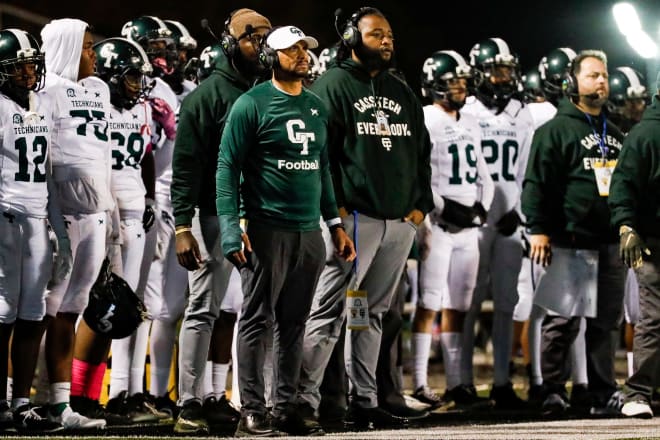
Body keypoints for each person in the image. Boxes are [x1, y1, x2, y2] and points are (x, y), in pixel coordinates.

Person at [298, 6, 434, 429]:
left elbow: (422, 152)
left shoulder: (400, 89)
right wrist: (335, 211)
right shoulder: (332, 85)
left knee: (370, 313)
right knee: (331, 310)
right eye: (377, 34)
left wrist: (419, 208)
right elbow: (321, 155)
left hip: (396, 223)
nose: (387, 40)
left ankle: (366, 400)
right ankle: (304, 400)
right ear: (353, 38)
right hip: (355, 219)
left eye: (390, 34)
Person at [216, 25, 355, 436]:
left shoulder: (315, 105)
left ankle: (286, 406)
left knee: (294, 323)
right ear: (269, 58)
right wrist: (229, 227)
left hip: (308, 230)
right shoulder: (251, 104)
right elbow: (227, 168)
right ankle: (252, 409)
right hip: (266, 227)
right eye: (290, 49)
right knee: (257, 320)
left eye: (304, 48)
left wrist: (334, 223)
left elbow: (322, 167)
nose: (301, 54)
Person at [171, 8, 272, 434]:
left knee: (248, 312)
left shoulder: (270, 90)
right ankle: (189, 402)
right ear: (230, 43)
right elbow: (187, 165)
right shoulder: (205, 96)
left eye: (268, 40)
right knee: (202, 309)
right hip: (215, 215)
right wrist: (181, 224)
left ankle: (221, 396)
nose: (263, 49)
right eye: (255, 39)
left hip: (264, 215)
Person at [522, 49, 626, 416]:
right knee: (561, 320)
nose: (601, 81)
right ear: (572, 82)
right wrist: (538, 229)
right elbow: (537, 183)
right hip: (569, 239)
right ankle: (552, 389)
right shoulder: (554, 130)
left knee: (605, 324)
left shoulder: (613, 133)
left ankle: (602, 392)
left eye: (603, 75)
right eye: (592, 75)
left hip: (610, 241)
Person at [39, 18, 113, 431]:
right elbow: (43, 159)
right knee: (41, 312)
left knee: (72, 310)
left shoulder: (99, 90)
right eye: (86, 46)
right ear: (66, 48)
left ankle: (61, 404)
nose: (93, 54)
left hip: (96, 213)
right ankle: (23, 399)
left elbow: (101, 154)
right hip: (62, 214)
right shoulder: (45, 92)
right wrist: (51, 219)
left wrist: (113, 214)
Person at [411, 50, 494, 409]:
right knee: (429, 302)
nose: (460, 87)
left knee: (459, 305)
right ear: (434, 85)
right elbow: (418, 171)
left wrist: (482, 206)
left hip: (468, 229)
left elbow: (483, 171)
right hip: (438, 224)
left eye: (462, 81)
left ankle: (458, 382)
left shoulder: (472, 120)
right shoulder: (425, 118)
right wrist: (444, 206)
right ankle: (417, 382)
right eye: (452, 81)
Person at [0, 28, 70, 433]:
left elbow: (47, 172)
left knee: (33, 312)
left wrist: (58, 226)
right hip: (6, 215)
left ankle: (22, 403)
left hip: (37, 216)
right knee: (4, 311)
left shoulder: (42, 103)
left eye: (31, 63)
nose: (28, 72)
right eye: (18, 65)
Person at [460, 37, 534, 409]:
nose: (504, 78)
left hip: (509, 219)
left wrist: (518, 211)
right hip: (475, 219)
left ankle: (503, 381)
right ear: (480, 73)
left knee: (507, 301)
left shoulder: (523, 113)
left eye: (508, 69)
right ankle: (463, 381)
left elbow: (527, 169)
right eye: (496, 70)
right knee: (467, 300)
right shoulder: (466, 109)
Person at [608, 70, 660, 419]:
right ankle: (638, 391)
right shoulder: (646, 133)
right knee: (654, 317)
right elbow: (623, 183)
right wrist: (626, 225)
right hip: (653, 239)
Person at [606, 66, 649, 381]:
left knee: (641, 312)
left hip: (642, 229)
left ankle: (642, 379)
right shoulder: (607, 135)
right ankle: (635, 380)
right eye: (629, 102)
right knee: (628, 314)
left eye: (639, 101)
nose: (636, 108)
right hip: (616, 231)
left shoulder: (644, 133)